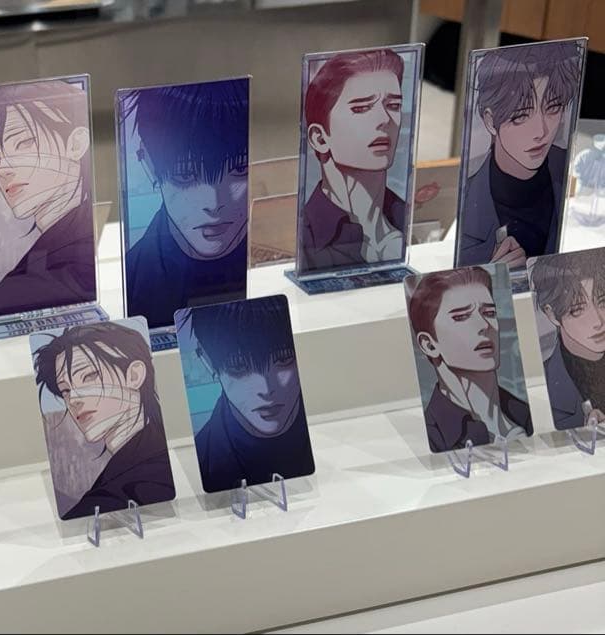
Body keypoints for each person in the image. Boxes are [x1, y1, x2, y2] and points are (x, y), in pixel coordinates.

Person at [120, 80, 251, 328]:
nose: (214, 203)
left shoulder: (269, 265)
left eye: (240, 169)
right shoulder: (134, 277)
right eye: (185, 174)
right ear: (149, 165)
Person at [0, 79, 97, 318]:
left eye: (23, 142)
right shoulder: (44, 254)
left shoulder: (73, 263)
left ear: (75, 144)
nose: (3, 169)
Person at [457, 40, 584, 268]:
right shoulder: (470, 203)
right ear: (490, 121)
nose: (541, 132)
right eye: (521, 116)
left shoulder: (562, 168)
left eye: (553, 108)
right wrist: (489, 277)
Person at [32, 322, 175, 520]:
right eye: (65, 390)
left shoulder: (144, 476)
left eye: (89, 376)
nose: (74, 399)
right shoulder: (121, 474)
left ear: (134, 375)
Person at [181, 298, 314, 493]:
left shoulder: (321, 432)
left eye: (284, 359)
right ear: (208, 362)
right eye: (238, 366)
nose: (266, 388)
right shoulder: (206, 457)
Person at [300, 48, 408, 273]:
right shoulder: (304, 237)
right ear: (320, 138)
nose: (384, 119)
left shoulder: (407, 220)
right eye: (361, 108)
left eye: (393, 105)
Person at [408, 267, 533, 452]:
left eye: (489, 313)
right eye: (461, 317)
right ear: (429, 344)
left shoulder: (525, 414)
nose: (484, 325)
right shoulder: (435, 436)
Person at [530, 250, 605, 430]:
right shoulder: (543, 389)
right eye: (577, 309)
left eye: (603, 302)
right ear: (551, 314)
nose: (598, 321)